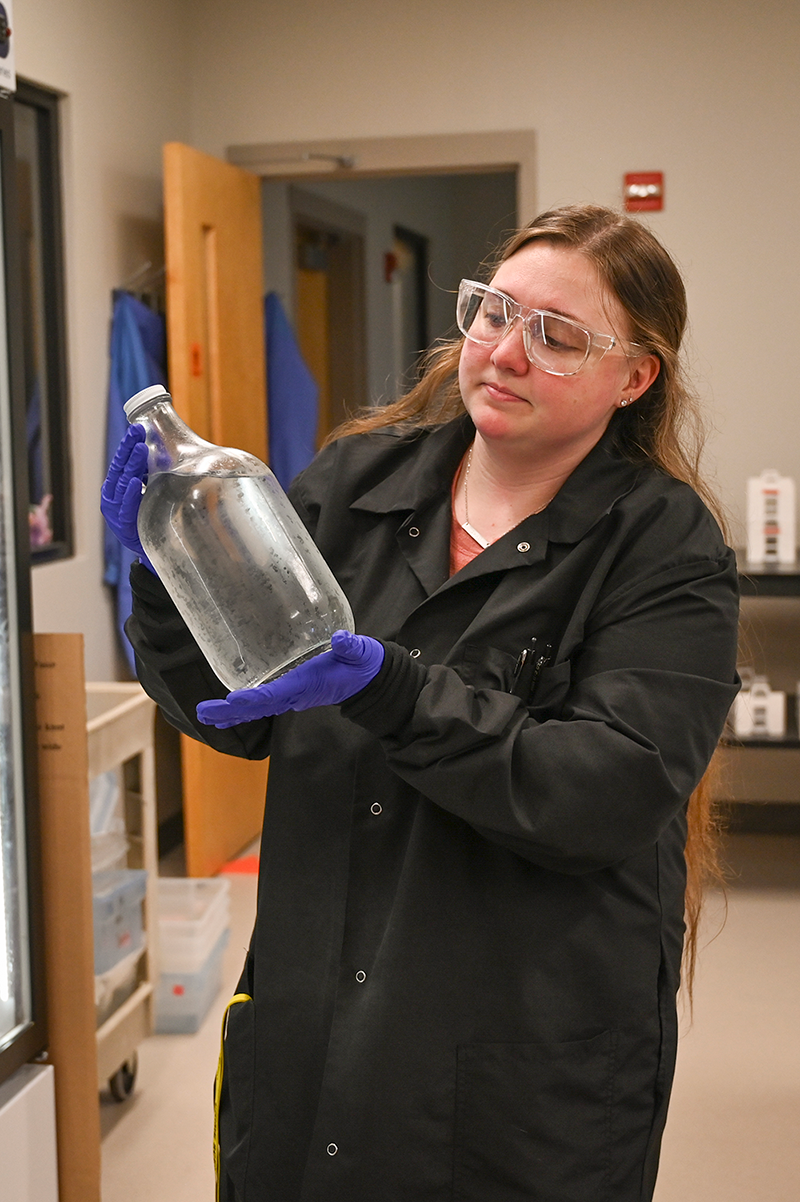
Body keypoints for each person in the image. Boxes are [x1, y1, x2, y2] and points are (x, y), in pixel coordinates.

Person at [102, 203, 740, 1202]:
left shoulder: (662, 549)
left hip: (516, 1059)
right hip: (311, 1016)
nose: (506, 351)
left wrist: (390, 689)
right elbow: (243, 706)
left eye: (556, 334)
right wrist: (163, 573)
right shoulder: (352, 485)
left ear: (633, 375)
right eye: (493, 312)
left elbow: (601, 790)